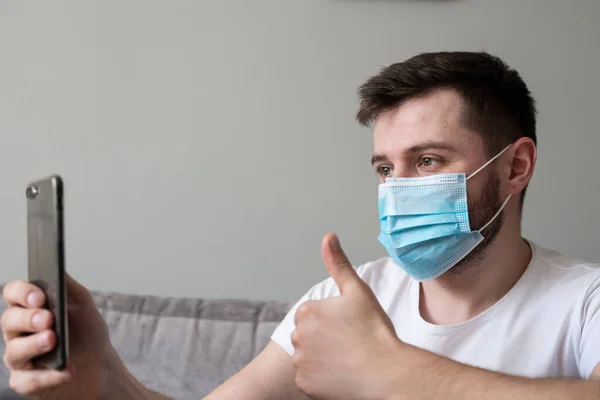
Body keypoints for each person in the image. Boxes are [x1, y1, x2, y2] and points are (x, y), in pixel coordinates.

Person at [3, 51, 600, 400]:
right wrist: (105, 378)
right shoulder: (341, 304)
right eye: (385, 168)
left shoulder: (584, 304)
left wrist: (391, 372)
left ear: (516, 166)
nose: (397, 188)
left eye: (427, 161)